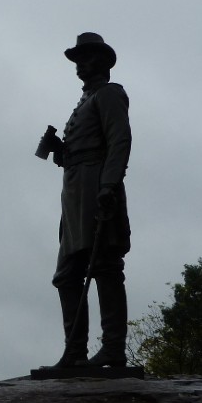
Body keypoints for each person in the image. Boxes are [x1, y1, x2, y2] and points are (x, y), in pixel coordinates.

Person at [39, 32, 132, 368]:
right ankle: (74, 351)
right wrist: (62, 152)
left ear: (102, 61)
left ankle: (113, 349)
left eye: (86, 57)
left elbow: (119, 141)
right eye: (77, 59)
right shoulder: (85, 101)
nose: (80, 65)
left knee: (105, 266)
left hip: (95, 186)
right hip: (74, 190)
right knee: (67, 274)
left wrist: (108, 185)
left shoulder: (109, 95)